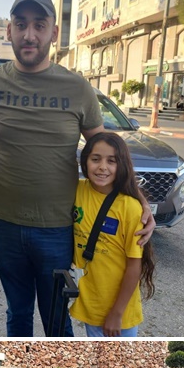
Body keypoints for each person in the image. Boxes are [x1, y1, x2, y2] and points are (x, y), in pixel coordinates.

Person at [0, 0, 153, 337]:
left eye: (39, 25)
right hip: (4, 226)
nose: (30, 34)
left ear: (54, 33)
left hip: (58, 229)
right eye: (21, 24)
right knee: (17, 314)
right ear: (9, 29)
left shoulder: (78, 89)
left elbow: (108, 151)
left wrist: (141, 201)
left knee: (57, 320)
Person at [70, 132, 157, 337]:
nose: (102, 167)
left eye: (112, 161)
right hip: (91, 305)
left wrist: (117, 313)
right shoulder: (77, 190)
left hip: (120, 314)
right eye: (95, 159)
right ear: (85, 161)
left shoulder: (130, 208)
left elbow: (134, 266)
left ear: (122, 165)